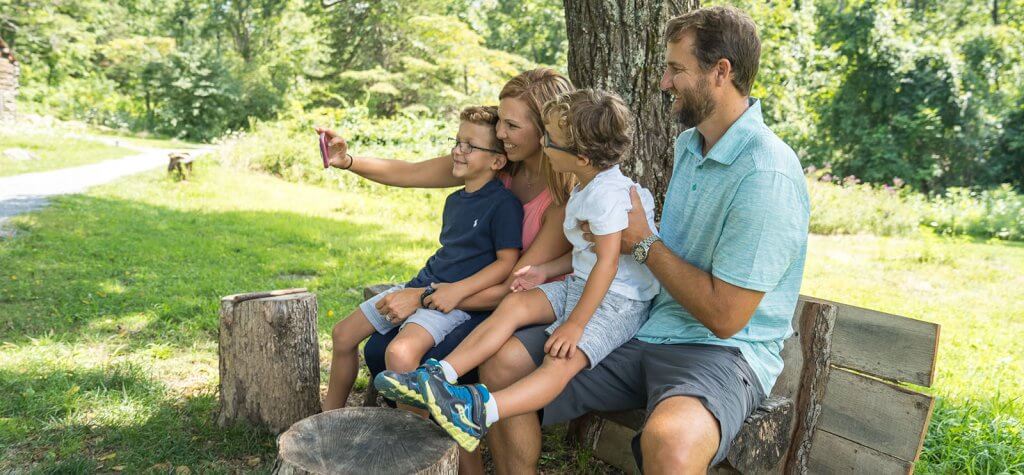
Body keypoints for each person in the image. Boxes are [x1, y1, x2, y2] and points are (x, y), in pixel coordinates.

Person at [479, 7, 812, 474]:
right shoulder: (691, 145)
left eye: (676, 69)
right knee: (503, 364)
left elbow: (726, 318)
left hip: (720, 353)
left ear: (721, 72)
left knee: (670, 443)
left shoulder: (766, 173)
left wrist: (642, 244)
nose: (663, 82)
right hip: (646, 327)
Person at [315, 68, 576, 474]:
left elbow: (514, 286)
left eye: (511, 124)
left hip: (522, 307)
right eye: (500, 123)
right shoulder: (500, 165)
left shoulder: (560, 196)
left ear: (544, 128)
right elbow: (410, 172)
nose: (501, 131)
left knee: (412, 357)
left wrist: (421, 296)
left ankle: (434, 460)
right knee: (380, 347)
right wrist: (347, 160)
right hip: (466, 293)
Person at [374, 89, 660, 452]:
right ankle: (439, 376)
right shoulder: (588, 185)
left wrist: (575, 324)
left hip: (617, 301)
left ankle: (478, 408)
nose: (542, 141)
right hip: (584, 282)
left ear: (582, 156)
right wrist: (545, 271)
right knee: (517, 304)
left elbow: (608, 265)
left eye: (551, 139)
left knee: (561, 359)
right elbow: (591, 256)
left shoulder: (606, 197)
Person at [321, 106, 523, 411]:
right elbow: (408, 172)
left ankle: (415, 446)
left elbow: (506, 263)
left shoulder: (504, 204)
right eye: (457, 142)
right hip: (421, 284)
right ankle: (329, 420)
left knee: (400, 354)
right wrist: (347, 161)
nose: (458, 151)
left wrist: (457, 291)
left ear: (496, 160)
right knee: (342, 334)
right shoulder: (455, 200)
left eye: (470, 146)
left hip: (446, 298)